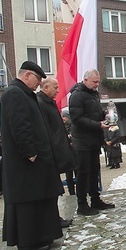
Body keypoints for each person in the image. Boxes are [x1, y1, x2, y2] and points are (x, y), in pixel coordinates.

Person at [0, 61, 63, 249]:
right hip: (26, 165)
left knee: (40, 202)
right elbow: (20, 126)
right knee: (29, 205)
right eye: (37, 79)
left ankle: (43, 236)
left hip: (35, 164)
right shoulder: (14, 94)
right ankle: (32, 241)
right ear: (27, 75)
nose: (39, 84)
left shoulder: (23, 94)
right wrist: (29, 152)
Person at [69, 69, 115, 216]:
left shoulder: (93, 94)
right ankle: (82, 204)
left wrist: (105, 115)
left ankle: (95, 199)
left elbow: (94, 113)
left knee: (95, 171)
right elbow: (77, 119)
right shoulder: (77, 95)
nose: (97, 84)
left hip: (94, 140)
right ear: (86, 80)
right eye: (95, 82)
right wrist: (98, 125)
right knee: (83, 172)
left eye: (98, 82)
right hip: (82, 141)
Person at [37, 77, 77, 228]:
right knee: (51, 188)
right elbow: (47, 131)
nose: (58, 91)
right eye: (55, 87)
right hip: (51, 153)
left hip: (58, 150)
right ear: (45, 87)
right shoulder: (41, 104)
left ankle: (55, 218)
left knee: (54, 187)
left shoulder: (48, 103)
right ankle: (53, 220)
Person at [61, 109, 76, 195]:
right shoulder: (61, 127)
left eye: (64, 116)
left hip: (75, 153)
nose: (63, 118)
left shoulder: (73, 126)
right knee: (69, 176)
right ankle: (71, 192)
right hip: (67, 155)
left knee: (78, 173)